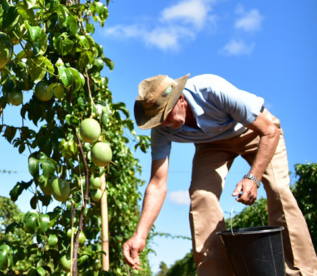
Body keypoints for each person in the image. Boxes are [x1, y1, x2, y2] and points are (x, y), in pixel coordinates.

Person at [122, 74, 317, 276]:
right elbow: (157, 183)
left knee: (278, 189)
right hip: (211, 145)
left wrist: (253, 177)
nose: (163, 124)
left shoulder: (211, 90)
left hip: (255, 132)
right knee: (201, 197)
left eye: (165, 115)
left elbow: (269, 131)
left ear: (180, 99)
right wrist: (140, 235)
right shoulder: (162, 130)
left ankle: (302, 271)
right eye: (157, 120)